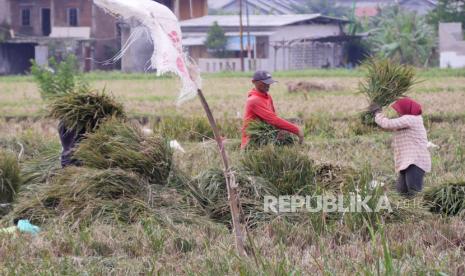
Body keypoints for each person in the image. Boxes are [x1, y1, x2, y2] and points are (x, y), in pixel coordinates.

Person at [371, 97, 431, 196]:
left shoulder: (411, 119)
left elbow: (387, 124)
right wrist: (377, 119)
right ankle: (409, 210)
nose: (398, 113)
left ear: (406, 109)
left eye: (399, 110)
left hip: (415, 161)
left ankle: (417, 210)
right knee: (401, 192)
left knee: (414, 192)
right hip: (407, 161)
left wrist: (377, 113)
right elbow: (388, 126)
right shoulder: (407, 120)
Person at [241, 70, 304, 149]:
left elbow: (273, 117)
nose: (268, 85)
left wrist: (280, 129)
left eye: (269, 82)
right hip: (252, 143)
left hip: (265, 138)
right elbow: (273, 120)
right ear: (254, 82)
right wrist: (296, 130)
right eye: (264, 83)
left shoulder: (267, 97)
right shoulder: (254, 100)